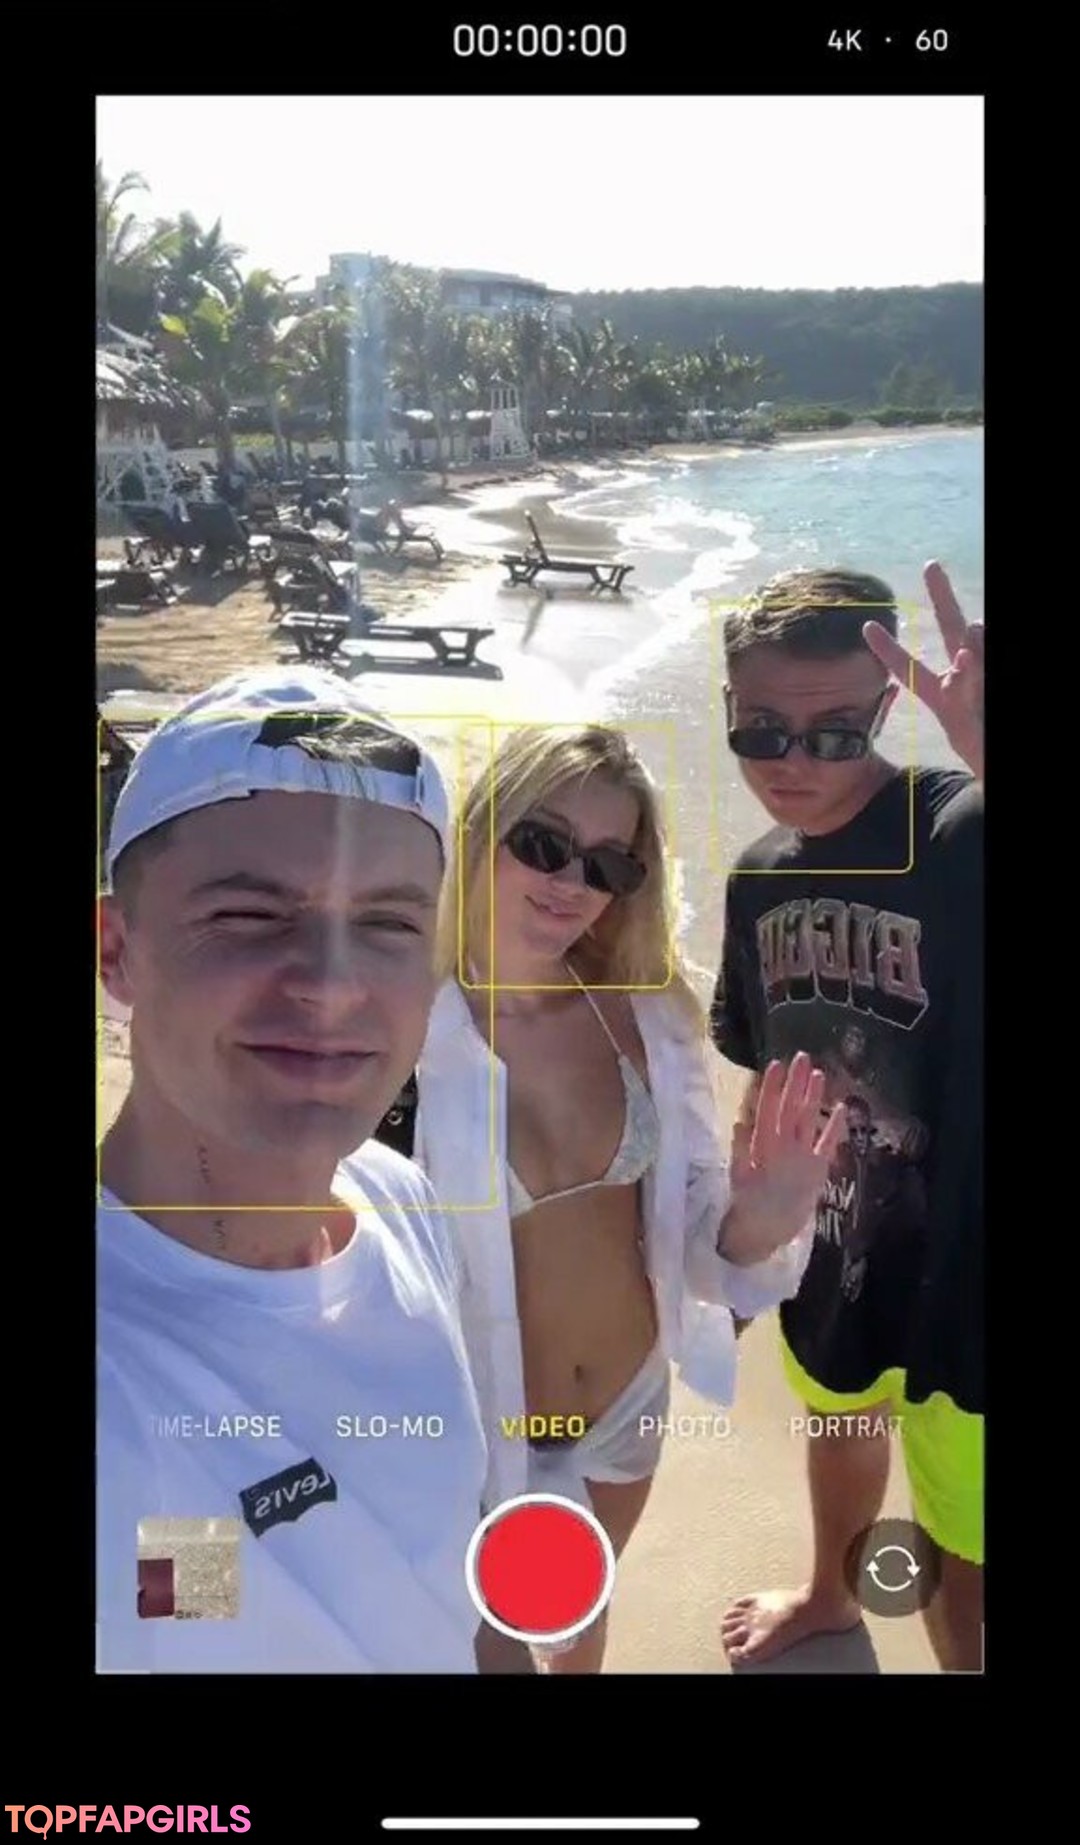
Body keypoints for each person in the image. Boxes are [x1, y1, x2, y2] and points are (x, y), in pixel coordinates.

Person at [408, 723, 846, 1673]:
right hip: (467, 1428)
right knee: (481, 1645)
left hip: (627, 1406)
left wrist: (761, 1221)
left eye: (608, 863)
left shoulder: (646, 1016)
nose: (572, 883)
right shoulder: (398, 1030)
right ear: (480, 830)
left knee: (580, 1610)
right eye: (544, 843)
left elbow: (692, 1230)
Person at [96, 666, 488, 1673]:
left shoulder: (399, 1200)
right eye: (249, 915)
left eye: (389, 924)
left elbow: (442, 1581)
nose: (331, 986)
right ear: (115, 950)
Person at [710, 561, 984, 1672]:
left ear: (883, 711)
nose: (794, 761)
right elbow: (761, 1061)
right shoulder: (756, 878)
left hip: (964, 1274)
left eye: (834, 733)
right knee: (840, 1423)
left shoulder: (957, 829)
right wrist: (742, 1236)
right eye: (761, 730)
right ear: (729, 707)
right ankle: (831, 1594)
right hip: (830, 1246)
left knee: (963, 1537)